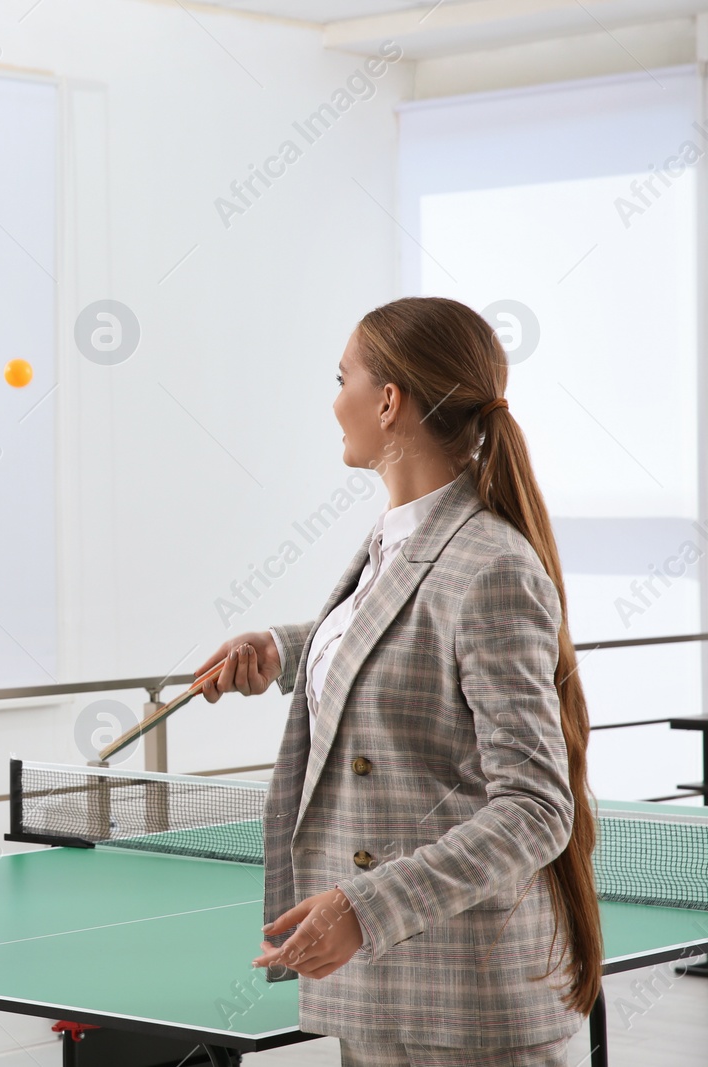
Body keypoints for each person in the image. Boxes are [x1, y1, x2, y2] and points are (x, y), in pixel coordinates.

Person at [194, 296, 601, 1066]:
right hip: (388, 990)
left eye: (342, 376)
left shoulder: (492, 567)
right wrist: (284, 650)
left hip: (465, 1008)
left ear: (388, 402)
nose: (332, 399)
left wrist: (367, 906)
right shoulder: (400, 536)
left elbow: (537, 807)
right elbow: (397, 640)